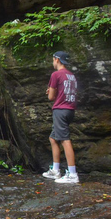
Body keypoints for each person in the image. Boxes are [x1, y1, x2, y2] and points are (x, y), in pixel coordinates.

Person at [42, 51, 79, 184]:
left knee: (64, 140)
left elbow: (51, 97)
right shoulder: (71, 75)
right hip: (70, 109)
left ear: (57, 60)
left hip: (60, 110)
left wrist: (50, 92)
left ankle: (73, 174)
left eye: (53, 60)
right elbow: (66, 91)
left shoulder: (56, 74)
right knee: (53, 138)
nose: (53, 62)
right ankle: (56, 170)